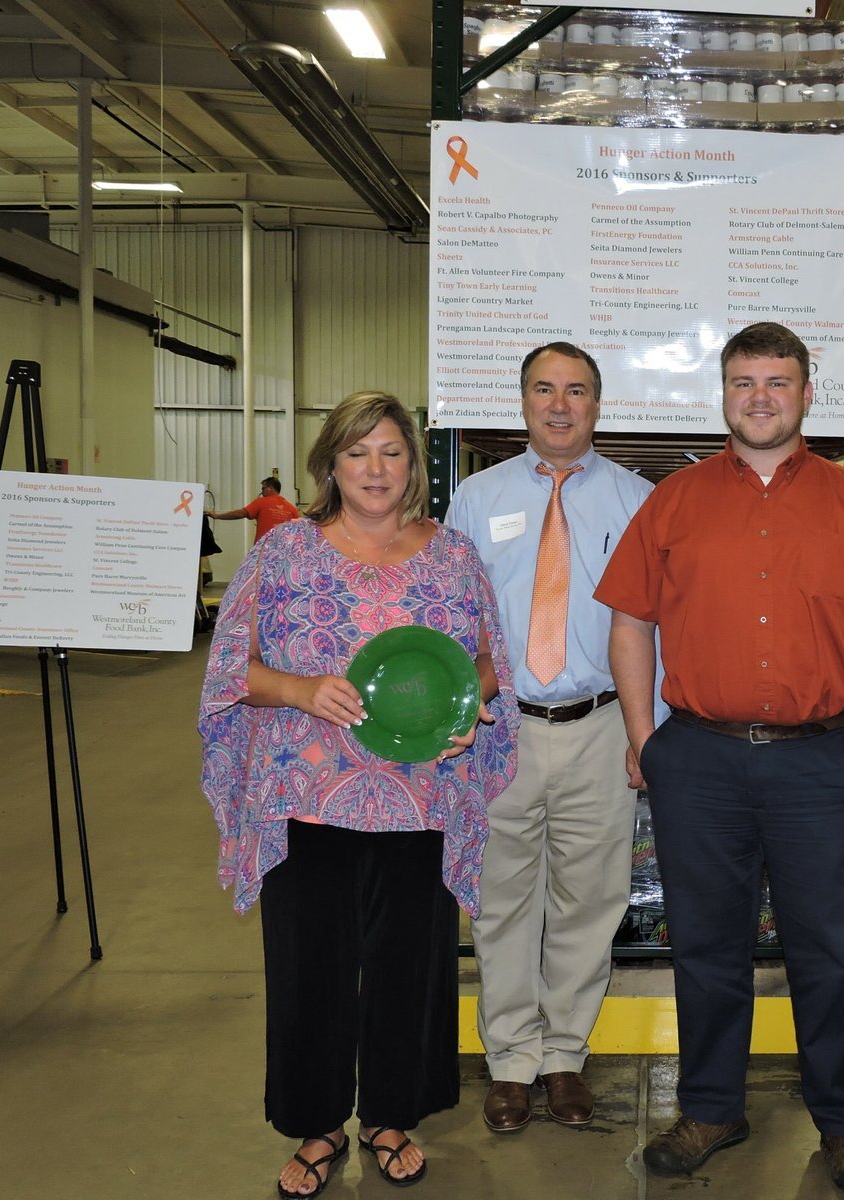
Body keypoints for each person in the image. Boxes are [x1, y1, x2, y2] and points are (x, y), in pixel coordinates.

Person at [596, 322, 844, 1195]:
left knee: (827, 949)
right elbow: (630, 619)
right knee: (706, 946)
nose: (759, 398)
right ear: (723, 393)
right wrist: (644, 739)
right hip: (698, 760)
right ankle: (712, 1106)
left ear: (807, 393)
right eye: (743, 382)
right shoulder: (673, 501)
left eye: (776, 382)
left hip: (821, 762)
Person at [198, 391, 521, 1198]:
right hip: (307, 792)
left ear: (413, 463)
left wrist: (463, 710)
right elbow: (231, 670)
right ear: (330, 465)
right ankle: (315, 1126)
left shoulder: (453, 557)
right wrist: (303, 689)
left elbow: (488, 662)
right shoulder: (283, 556)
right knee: (311, 965)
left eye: (391, 452)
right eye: (357, 452)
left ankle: (388, 1115)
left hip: (419, 793)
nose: (375, 469)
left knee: (410, 961)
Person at [448, 342, 656, 1134]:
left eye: (576, 391)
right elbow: (454, 616)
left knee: (588, 900)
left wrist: (649, 734)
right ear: (523, 401)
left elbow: (656, 630)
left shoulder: (639, 501)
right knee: (500, 904)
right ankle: (510, 1061)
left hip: (602, 727)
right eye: (544, 389)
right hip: (500, 732)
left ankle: (565, 1055)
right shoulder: (475, 497)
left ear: (598, 405)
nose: (560, 405)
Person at [209, 476, 302, 541]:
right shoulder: (291, 508)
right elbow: (299, 530)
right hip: (285, 551)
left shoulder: (262, 502)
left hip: (264, 549)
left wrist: (217, 516)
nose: (262, 491)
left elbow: (240, 513)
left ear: (270, 488)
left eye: (263, 488)